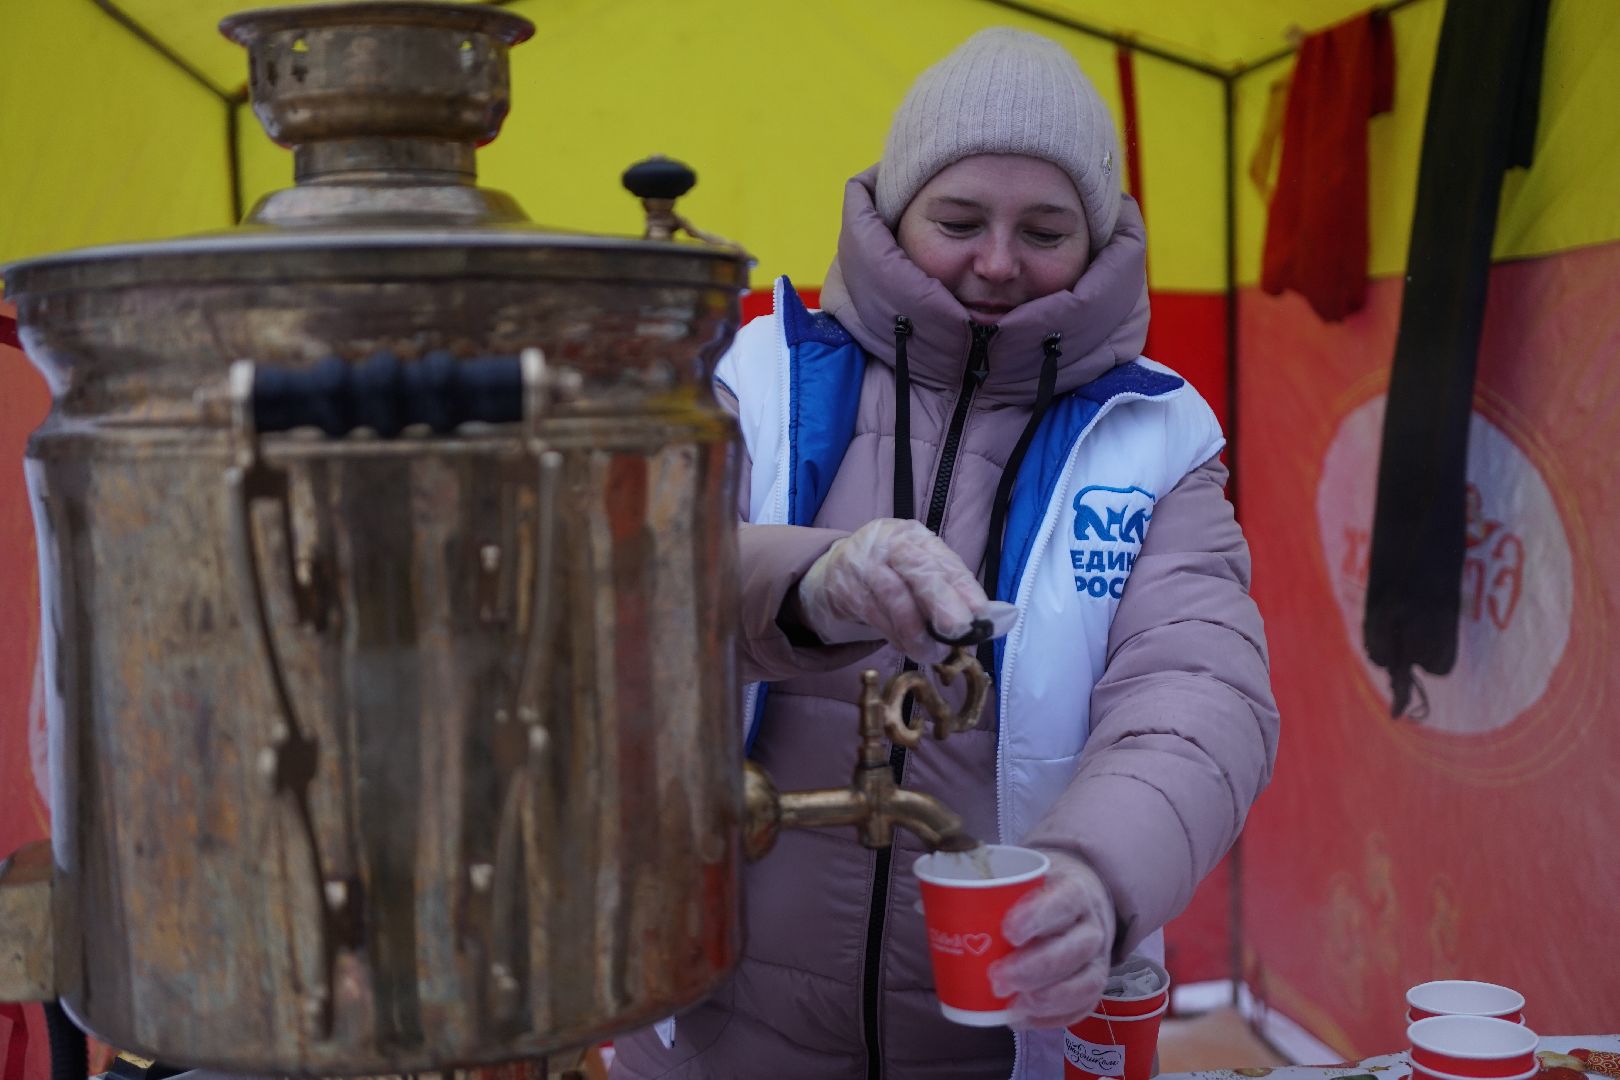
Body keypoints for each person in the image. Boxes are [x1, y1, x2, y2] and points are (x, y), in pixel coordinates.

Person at [612, 26, 1279, 1080]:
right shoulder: (763, 374)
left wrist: (1098, 880)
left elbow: (1199, 694)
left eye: (1046, 229)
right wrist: (815, 582)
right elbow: (631, 596)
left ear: (1100, 238)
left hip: (1008, 1041)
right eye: (959, 220)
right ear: (892, 215)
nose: (998, 263)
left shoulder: (1155, 436)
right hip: (719, 1023)